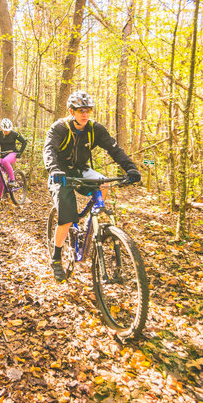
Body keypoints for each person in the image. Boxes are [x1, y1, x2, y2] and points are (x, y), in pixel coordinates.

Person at [43, 91, 141, 281]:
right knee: (66, 217)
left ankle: (90, 225)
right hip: (60, 173)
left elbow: (115, 150)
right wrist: (54, 170)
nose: (85, 114)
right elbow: (49, 150)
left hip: (80, 170)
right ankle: (56, 258)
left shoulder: (95, 129)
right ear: (72, 111)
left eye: (88, 110)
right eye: (81, 110)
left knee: (103, 183)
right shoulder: (60, 128)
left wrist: (131, 169)